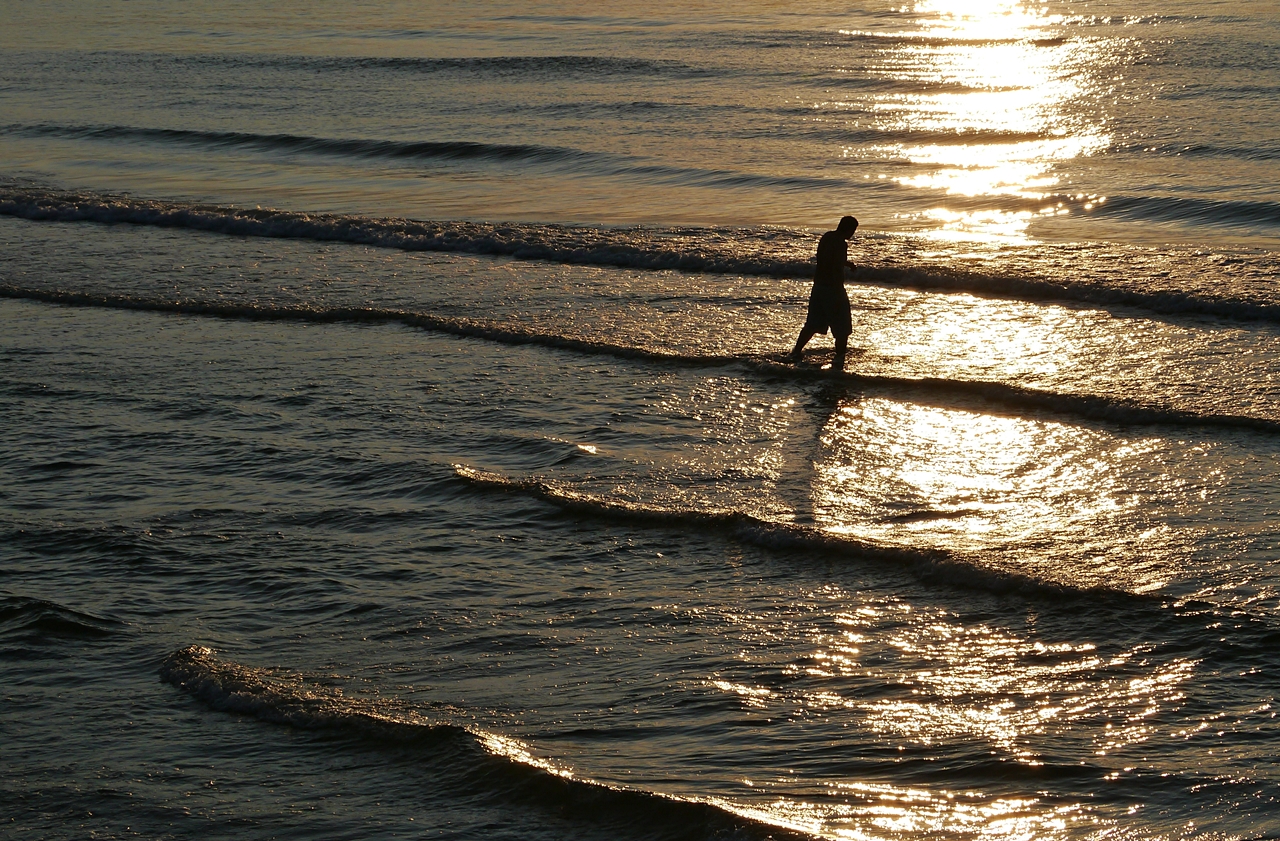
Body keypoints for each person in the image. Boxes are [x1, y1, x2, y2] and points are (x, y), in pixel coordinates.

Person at [791, 215, 858, 364]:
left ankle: (796, 351)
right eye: (853, 230)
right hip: (833, 289)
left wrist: (846, 264)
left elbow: (826, 259)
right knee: (842, 327)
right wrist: (838, 286)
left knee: (813, 324)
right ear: (849, 229)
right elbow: (835, 265)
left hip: (818, 287)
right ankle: (840, 357)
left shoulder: (827, 237)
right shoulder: (841, 243)